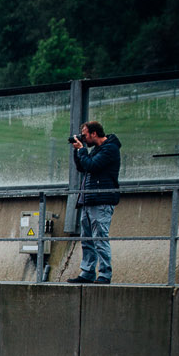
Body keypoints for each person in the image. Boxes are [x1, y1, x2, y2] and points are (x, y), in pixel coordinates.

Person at [67, 120, 121, 284]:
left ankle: (104, 274)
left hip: (101, 200)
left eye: (85, 135)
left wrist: (82, 151)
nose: (84, 138)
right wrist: (78, 152)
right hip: (89, 199)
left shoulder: (110, 149)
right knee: (87, 240)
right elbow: (83, 167)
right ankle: (88, 272)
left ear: (94, 133)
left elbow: (92, 166)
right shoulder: (97, 149)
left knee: (100, 238)